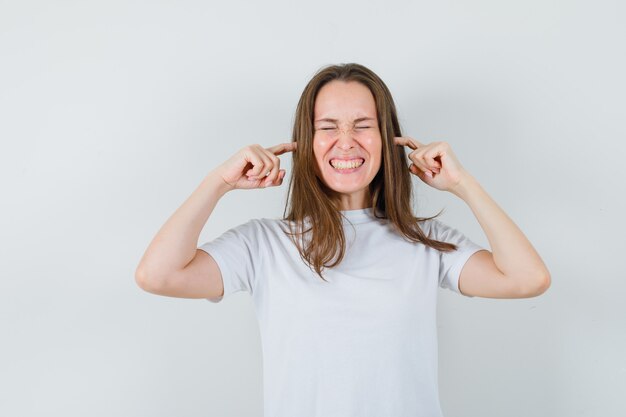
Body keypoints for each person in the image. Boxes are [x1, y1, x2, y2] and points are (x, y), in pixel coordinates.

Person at [135, 63, 551, 417]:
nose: (346, 141)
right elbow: (158, 275)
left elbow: (526, 279)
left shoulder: (425, 240)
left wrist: (463, 184)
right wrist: (218, 182)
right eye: (328, 127)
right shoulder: (263, 244)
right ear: (306, 143)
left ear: (388, 140)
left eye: (363, 126)